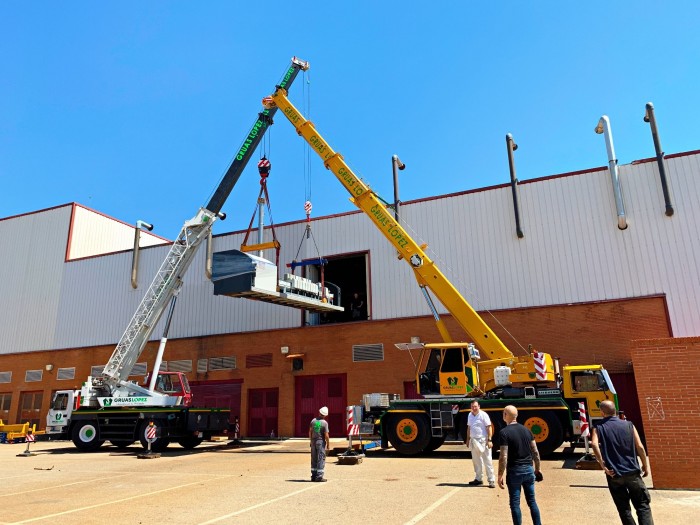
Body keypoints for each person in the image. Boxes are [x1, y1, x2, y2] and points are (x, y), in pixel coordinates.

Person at [591, 400, 654, 525]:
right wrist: (645, 466)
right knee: (642, 505)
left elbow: (594, 444)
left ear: (602, 412)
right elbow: (640, 447)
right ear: (615, 411)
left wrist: (603, 465)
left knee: (624, 508)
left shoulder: (598, 427)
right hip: (632, 471)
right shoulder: (629, 425)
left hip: (614, 474)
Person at [497, 405, 543, 525]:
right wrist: (537, 469)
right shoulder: (527, 430)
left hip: (514, 472)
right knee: (532, 502)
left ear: (506, 415)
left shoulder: (504, 432)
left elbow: (504, 456)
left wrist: (500, 475)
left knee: (515, 503)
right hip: (529, 469)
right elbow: (535, 452)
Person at [465, 400, 495, 488]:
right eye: (472, 407)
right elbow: (469, 427)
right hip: (473, 440)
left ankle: (491, 480)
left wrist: (489, 440)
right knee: (476, 461)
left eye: (475, 406)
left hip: (483, 440)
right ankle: (478, 479)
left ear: (479, 406)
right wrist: (467, 439)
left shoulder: (483, 415)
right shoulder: (470, 415)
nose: (474, 408)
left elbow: (489, 427)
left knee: (488, 460)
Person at [309, 406, 330, 482]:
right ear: (325, 415)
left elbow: (310, 432)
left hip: (313, 441)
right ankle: (319, 476)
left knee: (314, 458)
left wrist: (311, 441)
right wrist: (328, 444)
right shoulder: (325, 423)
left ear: (319, 412)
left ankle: (313, 475)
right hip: (320, 442)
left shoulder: (313, 421)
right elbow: (326, 435)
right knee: (320, 458)